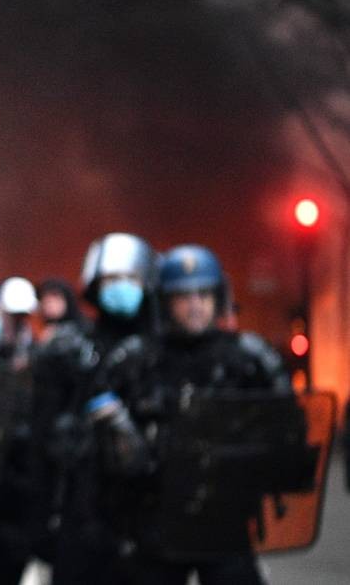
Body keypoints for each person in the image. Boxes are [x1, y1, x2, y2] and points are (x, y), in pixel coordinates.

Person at [126, 244, 290, 585]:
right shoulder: (140, 360)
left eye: (203, 293)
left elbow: (286, 434)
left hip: (224, 518)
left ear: (217, 298)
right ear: (166, 302)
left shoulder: (248, 359)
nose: (195, 304)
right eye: (183, 296)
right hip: (158, 517)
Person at [30, 232, 158, 585]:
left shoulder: (162, 353)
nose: (120, 287)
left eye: (130, 279)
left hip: (144, 518)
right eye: (112, 279)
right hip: (81, 514)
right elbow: (41, 439)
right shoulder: (72, 350)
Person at [36, 278, 89, 346]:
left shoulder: (81, 327)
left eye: (55, 300)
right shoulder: (40, 327)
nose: (50, 305)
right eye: (46, 301)